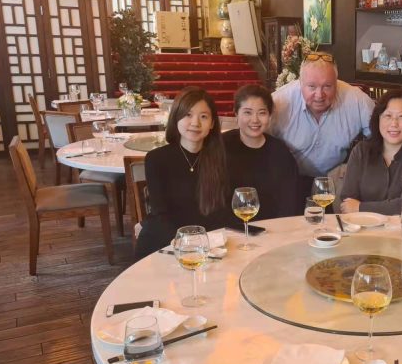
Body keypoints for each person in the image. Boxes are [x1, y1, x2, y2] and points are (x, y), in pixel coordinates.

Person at [136, 87, 232, 258]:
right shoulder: (156, 159)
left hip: (209, 242)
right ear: (176, 118)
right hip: (166, 240)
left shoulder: (221, 158)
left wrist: (204, 244)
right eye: (188, 115)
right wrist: (187, 245)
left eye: (203, 116)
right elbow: (160, 213)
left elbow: (221, 212)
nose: (195, 123)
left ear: (212, 123)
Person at [270, 52, 375, 198]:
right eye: (311, 86)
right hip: (289, 180)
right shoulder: (279, 103)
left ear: (336, 82)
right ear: (300, 83)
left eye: (327, 86)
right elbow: (257, 141)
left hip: (336, 181)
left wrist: (361, 168)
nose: (319, 95)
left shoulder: (357, 100)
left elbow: (381, 137)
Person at [340, 90, 402, 216]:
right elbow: (347, 202)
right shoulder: (361, 151)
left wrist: (361, 207)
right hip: (361, 225)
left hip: (401, 228)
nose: (394, 124)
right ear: (378, 119)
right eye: (388, 116)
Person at [223, 84, 301, 220]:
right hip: (228, 227)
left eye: (262, 113)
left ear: (270, 116)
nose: (255, 120)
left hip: (272, 226)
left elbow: (288, 203)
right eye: (247, 112)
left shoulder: (280, 152)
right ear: (236, 114)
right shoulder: (220, 146)